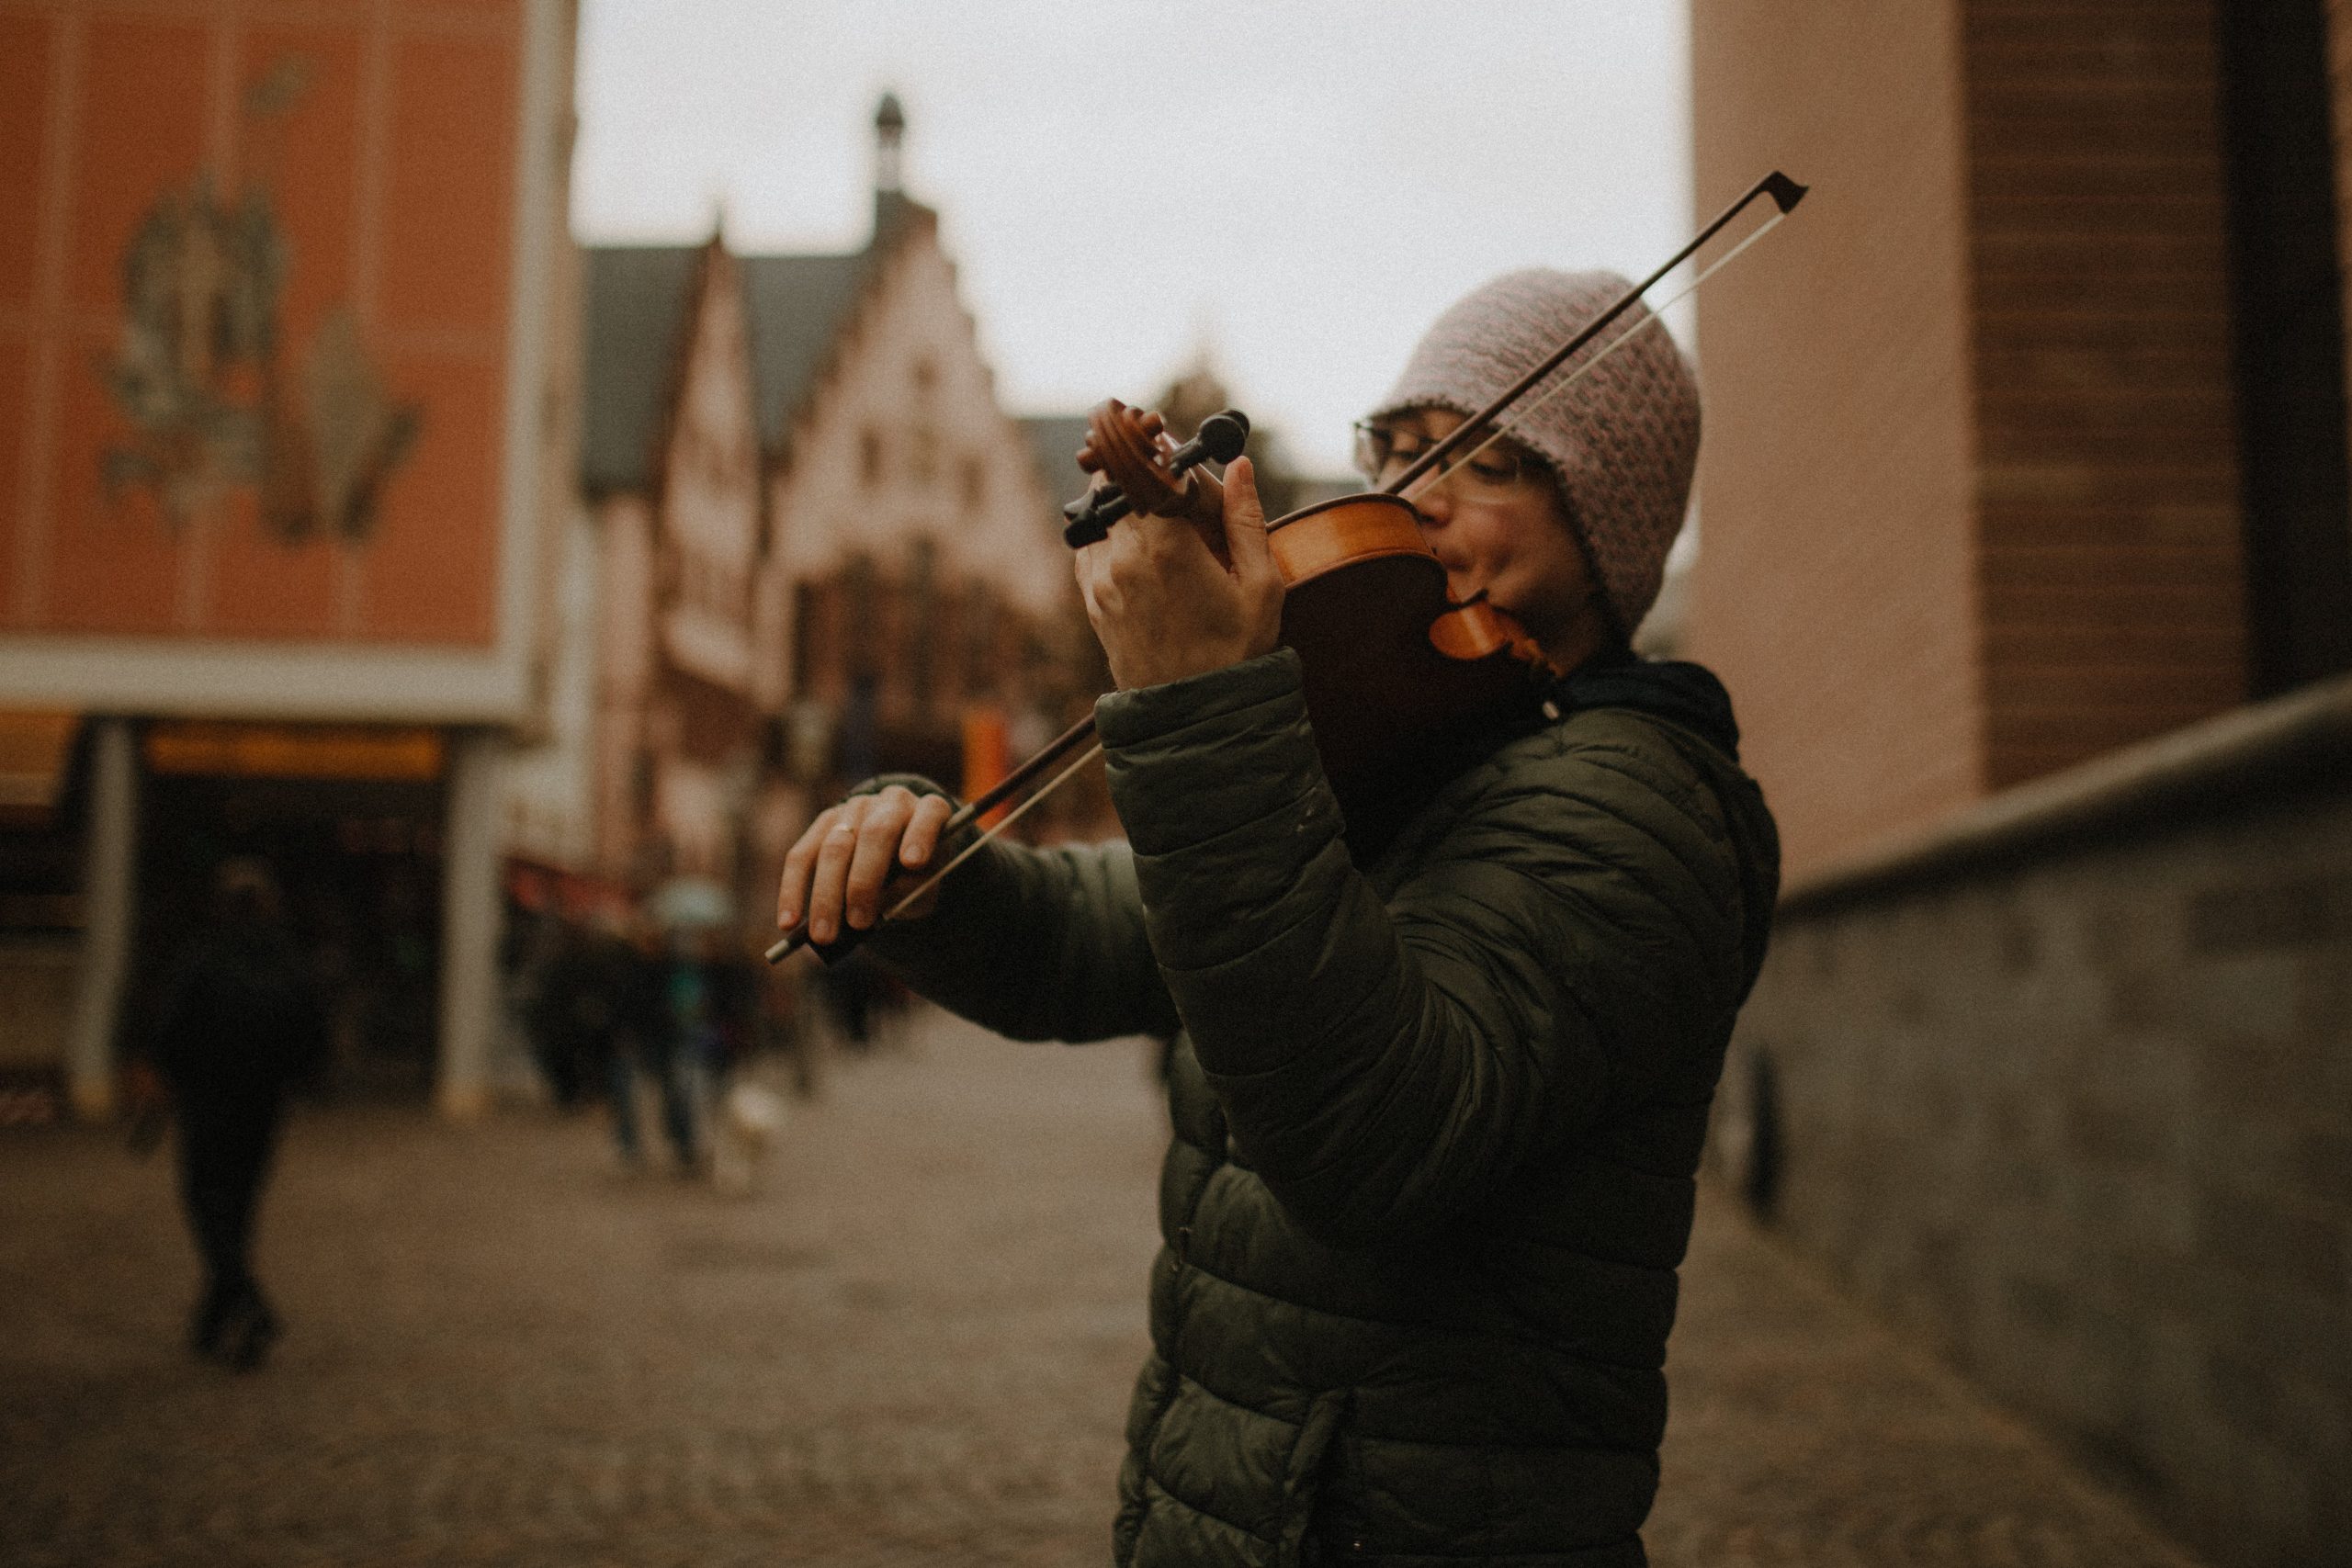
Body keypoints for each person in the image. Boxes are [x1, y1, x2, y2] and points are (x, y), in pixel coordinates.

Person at [775, 270, 1781, 1566]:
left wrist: (1205, 708)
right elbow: (1107, 930)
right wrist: (926, 861)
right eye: (1400, 450)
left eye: (1492, 462)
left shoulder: (1638, 807)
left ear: (1604, 523)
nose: (1416, 496)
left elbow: (1376, 1135)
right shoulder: (1418, 751)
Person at [146, 857, 328, 1371]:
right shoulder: (289, 962)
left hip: (208, 1102)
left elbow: (170, 1033)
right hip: (263, 1105)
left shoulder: (205, 959)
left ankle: (246, 1303)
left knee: (205, 1200)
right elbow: (313, 1035)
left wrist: (173, 1076)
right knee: (240, 1206)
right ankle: (216, 1317)